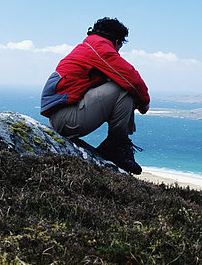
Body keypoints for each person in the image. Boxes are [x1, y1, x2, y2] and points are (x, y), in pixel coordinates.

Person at [40, 17, 150, 174]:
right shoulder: (99, 48)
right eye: (120, 47)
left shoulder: (90, 46)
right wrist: (144, 104)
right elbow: (131, 78)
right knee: (124, 88)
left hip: (64, 116)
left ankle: (118, 144)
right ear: (117, 41)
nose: (118, 52)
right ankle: (116, 146)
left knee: (121, 85)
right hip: (65, 120)